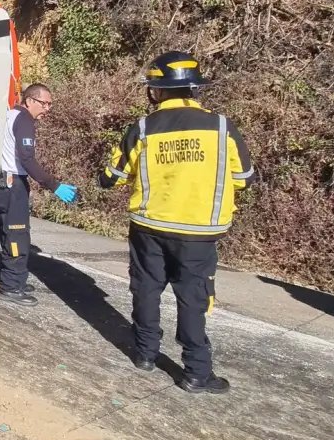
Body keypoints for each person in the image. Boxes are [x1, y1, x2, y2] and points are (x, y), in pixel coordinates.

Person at [98, 51, 253, 394]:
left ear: (156, 90)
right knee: (193, 299)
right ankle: (197, 372)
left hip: (149, 228)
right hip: (199, 232)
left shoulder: (142, 128)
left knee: (146, 289)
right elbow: (244, 177)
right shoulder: (222, 127)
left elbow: (112, 176)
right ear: (194, 88)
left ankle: (145, 354)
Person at [0, 82, 78, 306]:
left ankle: (0, 275)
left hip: (0, 182)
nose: (47, 109)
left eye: (50, 105)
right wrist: (54, 185)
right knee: (17, 236)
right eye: (44, 103)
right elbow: (27, 159)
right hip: (13, 184)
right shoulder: (25, 120)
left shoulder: (10, 115)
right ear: (30, 101)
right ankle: (11, 286)